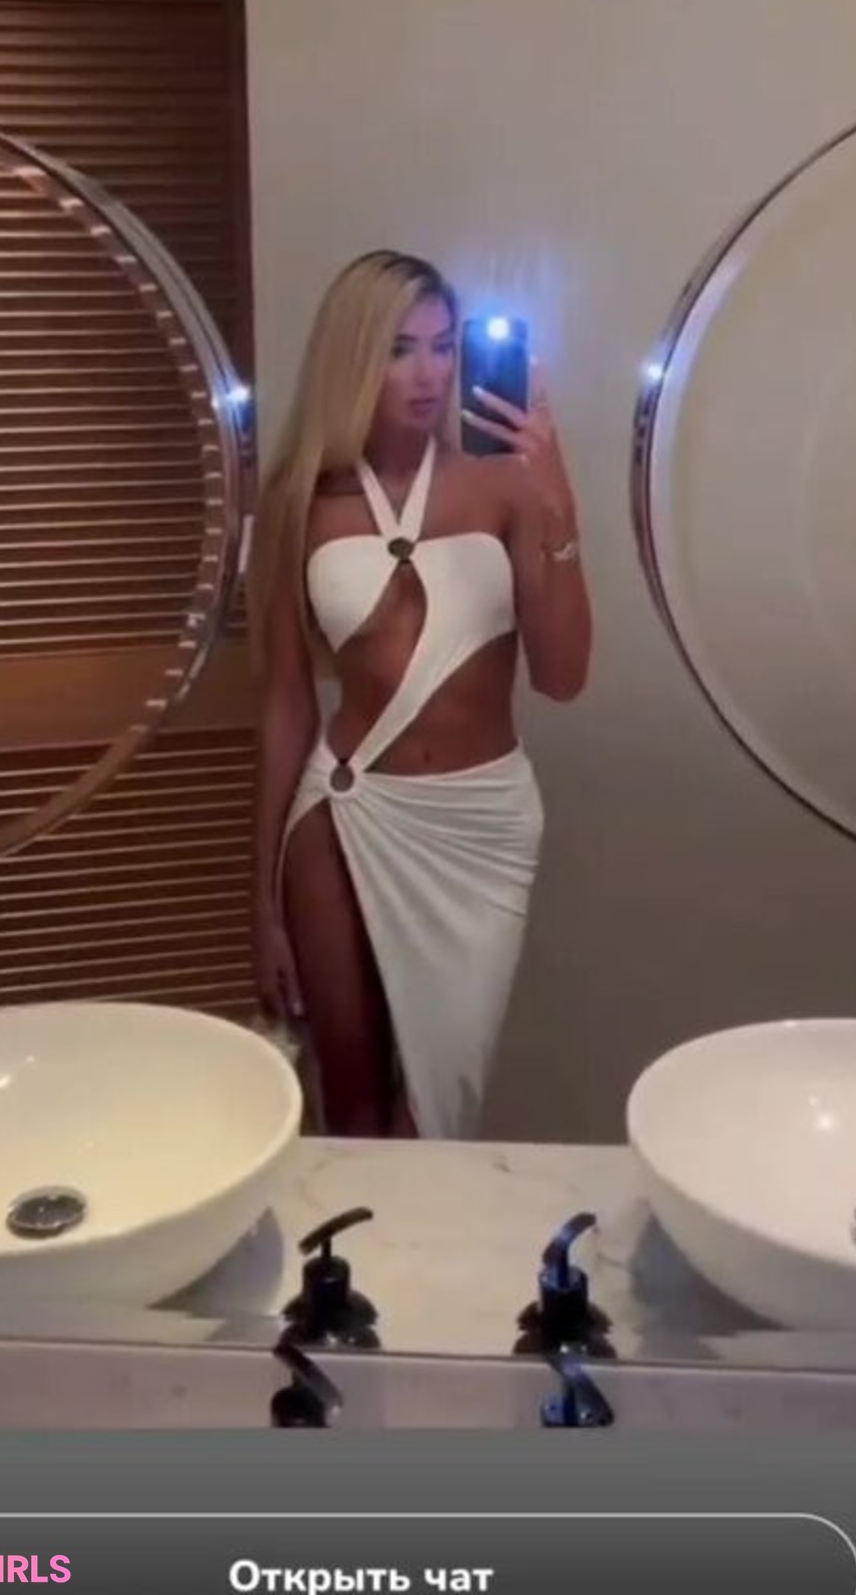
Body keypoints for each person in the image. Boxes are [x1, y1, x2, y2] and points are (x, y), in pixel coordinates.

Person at [246, 249, 592, 1140]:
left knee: (440, 1110)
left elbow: (563, 678)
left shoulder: (507, 486)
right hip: (343, 810)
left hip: (480, 821)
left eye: (443, 346)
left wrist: (558, 513)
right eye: (400, 349)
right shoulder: (297, 502)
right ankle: (358, 1241)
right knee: (352, 1101)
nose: (429, 374)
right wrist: (261, 903)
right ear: (353, 357)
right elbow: (286, 705)